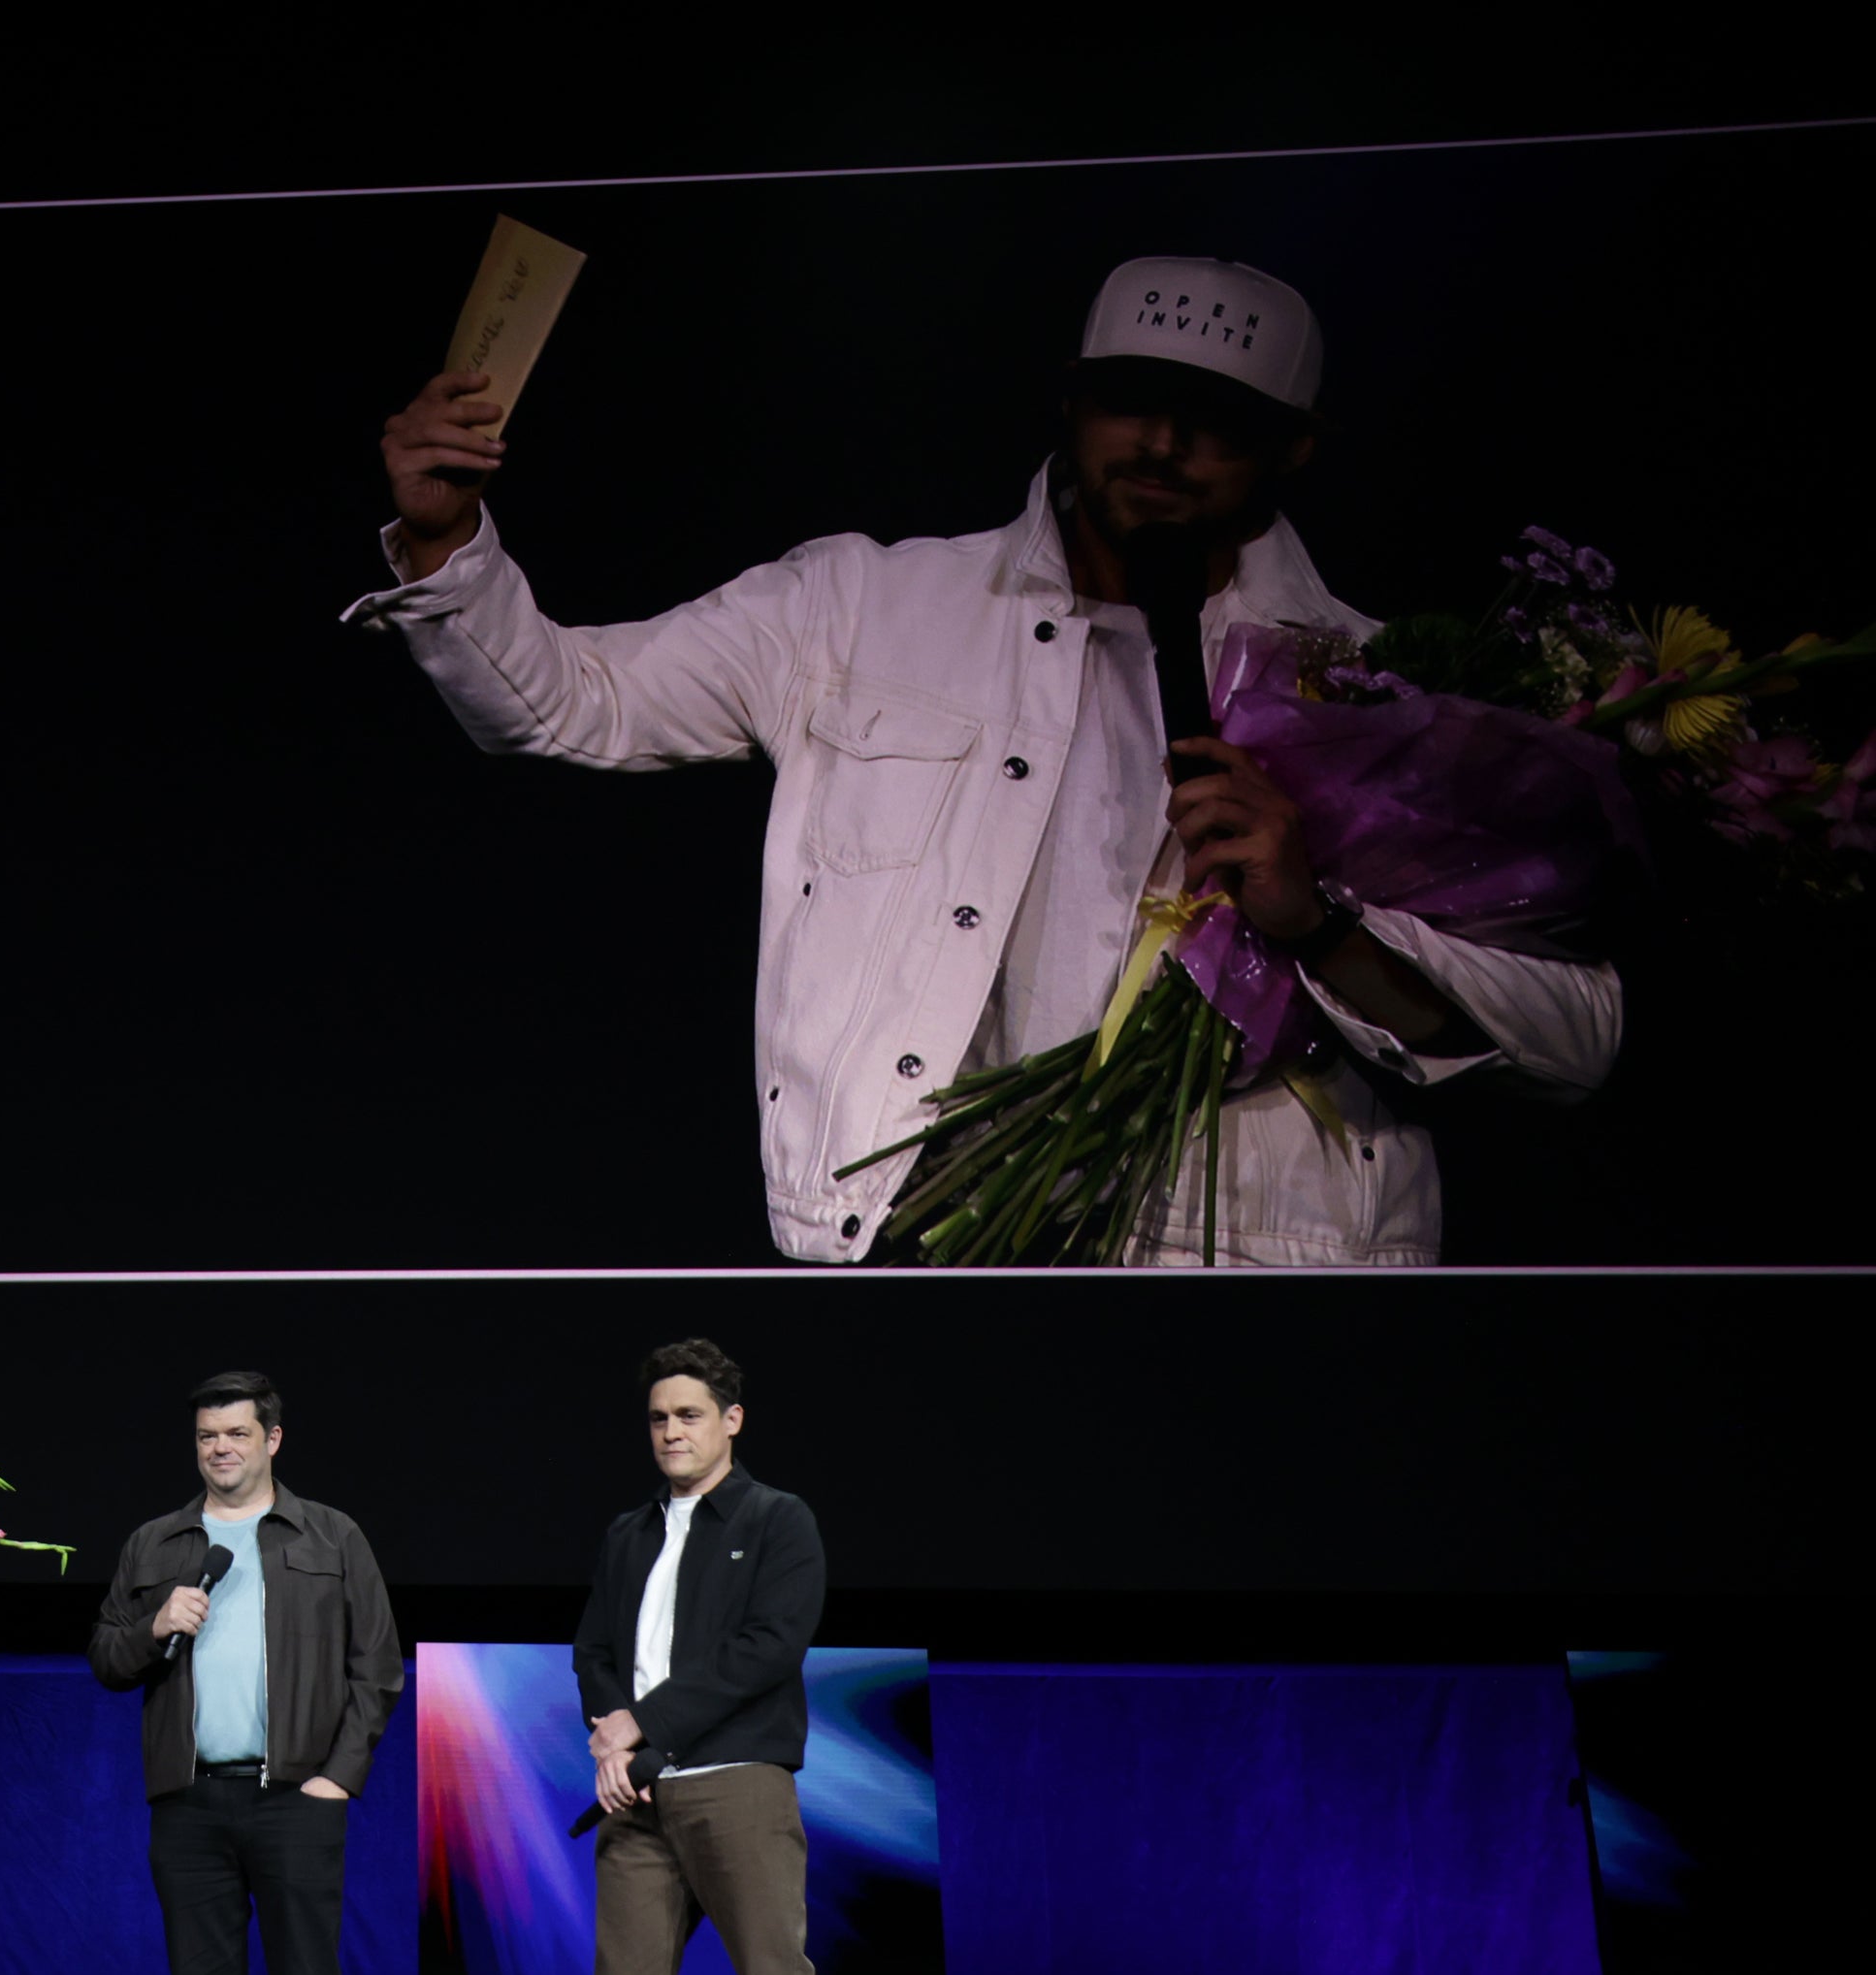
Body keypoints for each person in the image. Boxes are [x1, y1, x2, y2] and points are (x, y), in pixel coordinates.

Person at [352, 256, 1621, 1265]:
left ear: (1293, 446)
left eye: (1217, 422)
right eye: (1131, 400)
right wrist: (447, 539)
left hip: (1260, 1262)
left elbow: (1575, 1040)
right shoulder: (862, 608)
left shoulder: (1379, 686)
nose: (1162, 444)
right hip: (933, 1238)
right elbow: (569, 706)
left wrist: (1317, 921)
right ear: (1070, 398)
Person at [89, 1371, 403, 1975]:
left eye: (236, 1433)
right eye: (206, 1436)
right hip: (190, 1803)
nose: (219, 1448)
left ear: (273, 1440)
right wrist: (155, 1625)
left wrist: (338, 1779)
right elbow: (106, 1657)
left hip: (295, 1802)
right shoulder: (157, 1542)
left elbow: (376, 1668)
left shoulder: (330, 1535)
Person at [565, 1340, 858, 1975]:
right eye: (658, 1418)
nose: (671, 1432)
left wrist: (642, 1726)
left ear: (731, 1420)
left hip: (736, 1787)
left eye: (689, 1415)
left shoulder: (777, 1519)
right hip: (637, 1800)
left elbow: (767, 1649)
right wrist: (613, 1741)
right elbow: (594, 1652)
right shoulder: (628, 1532)